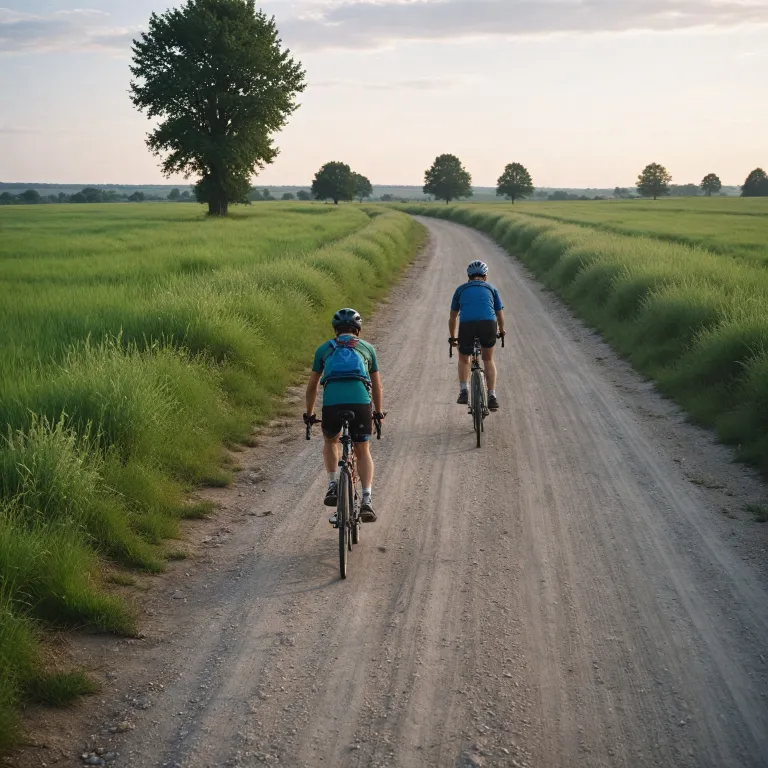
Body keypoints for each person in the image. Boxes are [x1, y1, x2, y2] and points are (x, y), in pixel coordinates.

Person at [304, 308, 384, 523]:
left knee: (331, 441)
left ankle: (332, 485)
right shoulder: (367, 348)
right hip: (360, 404)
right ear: (357, 330)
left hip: (332, 405)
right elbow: (376, 386)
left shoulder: (324, 349)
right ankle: (366, 500)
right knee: (362, 449)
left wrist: (309, 414)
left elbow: (312, 386)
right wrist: (377, 413)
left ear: (335, 330)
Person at [449, 260, 505, 410]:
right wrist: (502, 330)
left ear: (469, 276)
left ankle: (463, 391)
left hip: (467, 325)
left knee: (463, 358)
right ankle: (492, 395)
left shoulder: (460, 290)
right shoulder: (492, 289)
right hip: (488, 324)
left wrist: (453, 337)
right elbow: (499, 314)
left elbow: (453, 317)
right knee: (488, 358)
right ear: (485, 276)